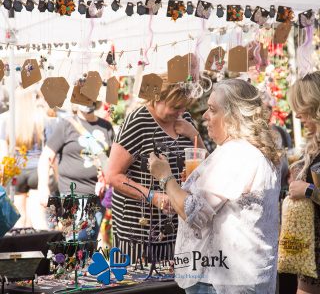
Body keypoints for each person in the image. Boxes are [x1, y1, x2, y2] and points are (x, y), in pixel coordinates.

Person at [149, 79, 280, 294]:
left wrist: (165, 178)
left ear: (233, 116)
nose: (204, 116)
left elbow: (193, 212)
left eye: (212, 109)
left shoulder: (237, 153)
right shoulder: (245, 151)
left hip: (220, 281)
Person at [105, 79, 206, 264]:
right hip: (140, 233)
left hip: (179, 231)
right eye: (176, 107)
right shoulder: (138, 121)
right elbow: (112, 176)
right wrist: (154, 197)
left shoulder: (184, 120)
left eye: (184, 107)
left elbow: (205, 163)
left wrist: (194, 135)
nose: (180, 112)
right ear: (157, 99)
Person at [38, 102, 114, 241]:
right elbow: (46, 157)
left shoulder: (106, 127)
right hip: (72, 195)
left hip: (98, 197)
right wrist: (43, 187)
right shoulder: (66, 124)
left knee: (89, 244)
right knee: (76, 242)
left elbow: (111, 160)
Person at [287, 72, 320, 294]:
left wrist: (307, 189)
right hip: (311, 248)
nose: (298, 115)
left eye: (302, 108)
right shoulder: (314, 145)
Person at [0, 86, 49, 229]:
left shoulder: (5, 120)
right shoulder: (41, 119)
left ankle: (20, 250)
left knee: (18, 220)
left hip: (16, 172)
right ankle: (42, 250)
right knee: (39, 220)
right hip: (37, 171)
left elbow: (3, 154)